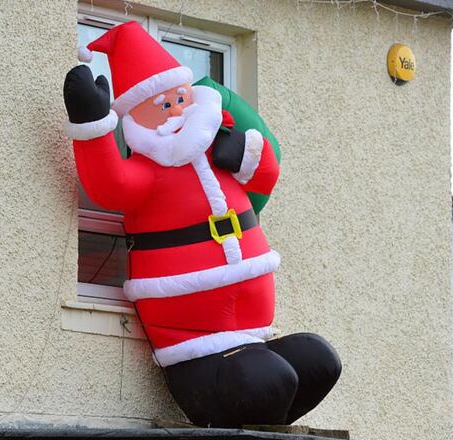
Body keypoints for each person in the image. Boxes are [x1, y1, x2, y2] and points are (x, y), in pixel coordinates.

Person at [63, 21, 340, 428]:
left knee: (320, 360)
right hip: (193, 350)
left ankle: (265, 414)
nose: (177, 111)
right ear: (136, 121)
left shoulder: (217, 145)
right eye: (163, 106)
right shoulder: (147, 173)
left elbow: (266, 177)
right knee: (267, 379)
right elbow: (109, 184)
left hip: (252, 334)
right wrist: (91, 123)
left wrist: (247, 153)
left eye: (180, 98)